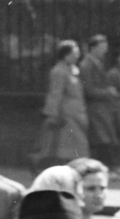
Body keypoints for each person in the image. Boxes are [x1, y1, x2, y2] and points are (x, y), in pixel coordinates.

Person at [37, 40, 91, 168]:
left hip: (78, 113)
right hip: (66, 115)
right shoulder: (58, 71)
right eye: (75, 53)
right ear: (66, 55)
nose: (78, 56)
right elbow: (55, 94)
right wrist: (52, 114)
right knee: (73, 145)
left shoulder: (74, 70)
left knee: (73, 145)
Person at [79, 35, 118, 166]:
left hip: (101, 107)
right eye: (102, 47)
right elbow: (88, 90)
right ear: (94, 48)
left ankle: (108, 166)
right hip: (95, 107)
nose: (105, 51)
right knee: (101, 138)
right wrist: (108, 92)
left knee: (105, 137)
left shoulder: (97, 63)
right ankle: (106, 166)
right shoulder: (87, 65)